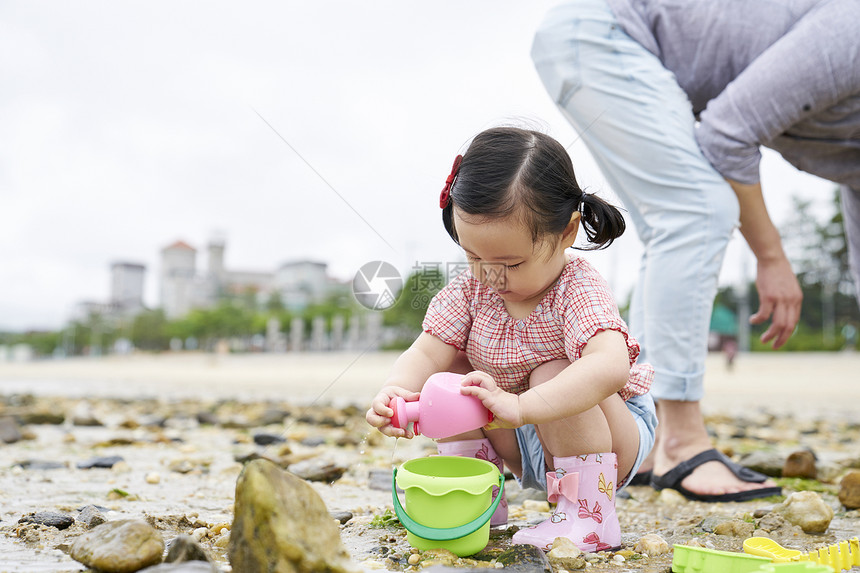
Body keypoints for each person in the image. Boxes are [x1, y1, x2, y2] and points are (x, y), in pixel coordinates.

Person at [530, 0, 859, 501]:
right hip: (602, 30)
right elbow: (727, 134)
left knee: (679, 219)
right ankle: (679, 438)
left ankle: (650, 440)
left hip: (603, 46)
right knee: (696, 210)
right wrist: (772, 259)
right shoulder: (852, 32)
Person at [366, 127, 657, 552]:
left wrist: (523, 406)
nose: (489, 273)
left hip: (606, 441)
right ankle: (478, 496)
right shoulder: (472, 291)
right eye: (473, 256)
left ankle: (590, 517)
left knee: (553, 370)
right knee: (448, 372)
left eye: (511, 262)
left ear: (567, 233)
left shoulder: (576, 288)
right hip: (519, 434)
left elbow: (610, 366)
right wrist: (397, 392)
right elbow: (427, 350)